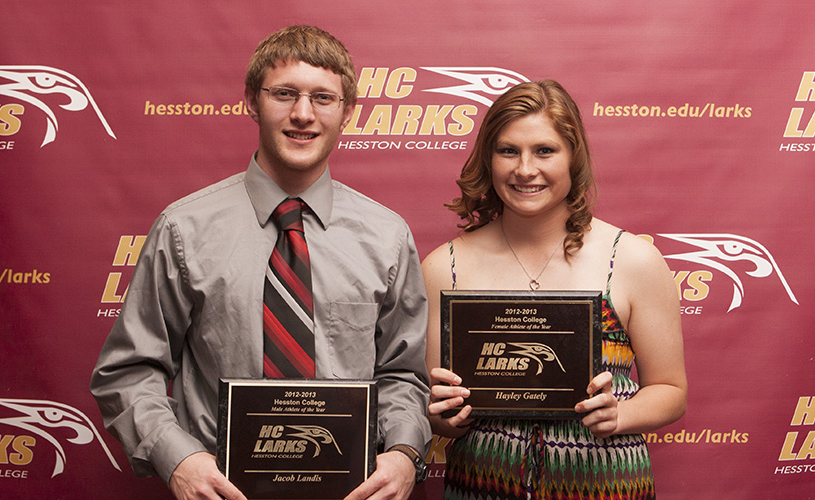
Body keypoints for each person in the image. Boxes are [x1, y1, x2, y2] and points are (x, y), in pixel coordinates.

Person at [90, 25, 431, 500]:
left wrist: (403, 453)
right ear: (252, 101)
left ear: (348, 111)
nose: (303, 114)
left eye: (323, 98)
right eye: (284, 94)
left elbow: (403, 374)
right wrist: (179, 459)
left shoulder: (387, 236)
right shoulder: (184, 229)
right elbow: (128, 371)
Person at [422, 80, 686, 500]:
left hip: (607, 486)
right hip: (482, 485)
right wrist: (445, 417)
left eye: (545, 150)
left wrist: (620, 414)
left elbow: (670, 391)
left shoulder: (632, 259)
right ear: (488, 158)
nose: (526, 169)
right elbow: (436, 409)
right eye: (508, 150)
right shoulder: (443, 267)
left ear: (573, 157)